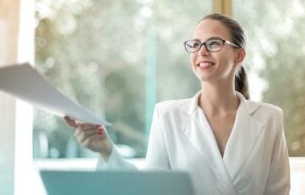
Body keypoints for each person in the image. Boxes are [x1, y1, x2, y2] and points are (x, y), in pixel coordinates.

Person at [64, 13, 290, 195]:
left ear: (239, 55)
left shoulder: (269, 118)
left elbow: (278, 192)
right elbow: (150, 190)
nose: (201, 51)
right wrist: (106, 150)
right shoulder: (167, 115)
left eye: (213, 43)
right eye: (195, 44)